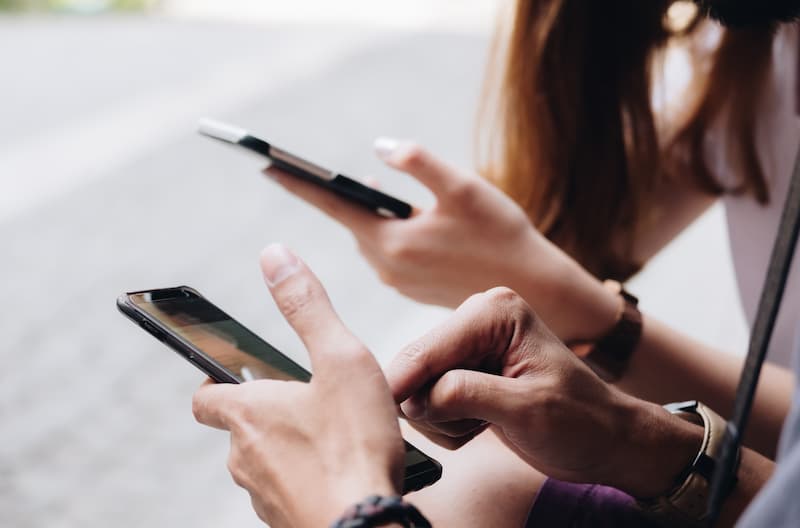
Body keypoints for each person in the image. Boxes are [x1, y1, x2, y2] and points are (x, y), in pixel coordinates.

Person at [191, 0, 800, 526]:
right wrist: (625, 434)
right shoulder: (744, 52)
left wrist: (348, 514)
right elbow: (584, 232)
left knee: (476, 487)